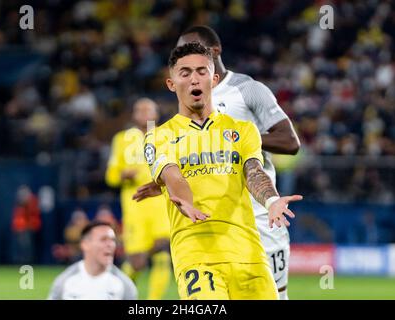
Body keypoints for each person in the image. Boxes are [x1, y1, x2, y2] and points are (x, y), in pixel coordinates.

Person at [134, 25, 301, 300]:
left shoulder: (245, 116)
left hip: (253, 234)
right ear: (171, 83)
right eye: (185, 73)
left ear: (214, 77)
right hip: (198, 249)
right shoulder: (160, 136)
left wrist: (271, 200)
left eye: (201, 71)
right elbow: (173, 175)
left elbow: (255, 169)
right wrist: (181, 196)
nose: (194, 79)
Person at [105, 98, 171, 300]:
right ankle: (119, 295)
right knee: (137, 263)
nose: (144, 114)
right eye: (139, 110)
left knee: (162, 254)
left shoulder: (167, 136)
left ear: (156, 114)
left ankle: (153, 303)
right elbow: (110, 176)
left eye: (148, 110)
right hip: (135, 207)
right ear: (133, 115)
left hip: (162, 207)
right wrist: (122, 174)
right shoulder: (122, 139)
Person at [48, 221, 137, 300]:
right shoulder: (65, 281)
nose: (110, 244)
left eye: (113, 240)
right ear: (85, 244)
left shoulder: (124, 284)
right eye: (103, 239)